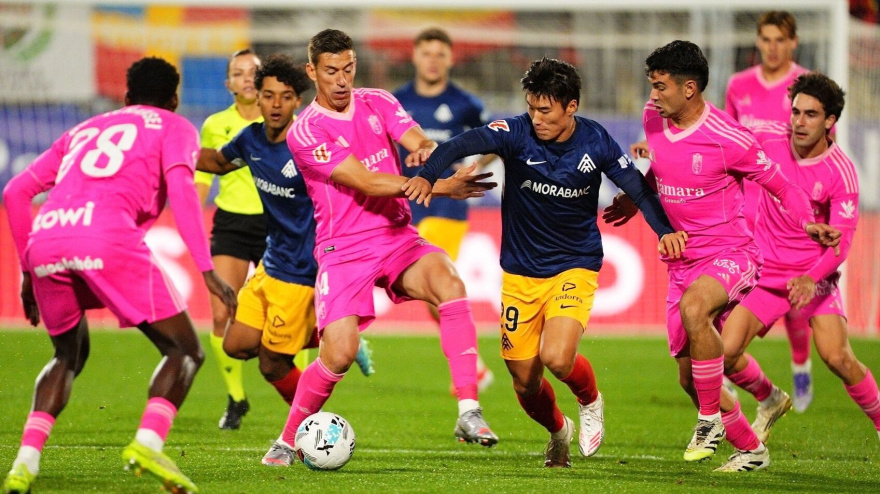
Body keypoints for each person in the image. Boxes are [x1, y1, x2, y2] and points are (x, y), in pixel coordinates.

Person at [406, 57, 683, 468]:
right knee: (525, 381)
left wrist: (664, 230)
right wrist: (430, 173)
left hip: (576, 264)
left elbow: (638, 189)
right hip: (520, 274)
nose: (536, 118)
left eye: (545, 110)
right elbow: (458, 145)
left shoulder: (596, 141)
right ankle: (558, 431)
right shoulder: (516, 132)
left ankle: (590, 400)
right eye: (532, 107)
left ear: (571, 106)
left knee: (557, 357)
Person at [260, 29, 498, 467]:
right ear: (313, 71)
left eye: (348, 68)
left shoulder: (378, 101)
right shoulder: (305, 131)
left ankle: (469, 410)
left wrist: (428, 153)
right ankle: (286, 438)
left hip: (395, 235)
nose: (341, 79)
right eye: (330, 71)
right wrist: (441, 184)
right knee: (339, 353)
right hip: (342, 248)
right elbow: (366, 181)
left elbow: (417, 141)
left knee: (449, 281)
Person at [1, 57, 237, 494]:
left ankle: (23, 465)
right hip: (107, 238)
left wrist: (27, 271)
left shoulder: (85, 129)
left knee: (67, 357)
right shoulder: (174, 126)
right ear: (173, 100)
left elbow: (16, 192)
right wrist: (207, 270)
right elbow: (184, 194)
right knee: (185, 351)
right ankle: (148, 444)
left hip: (47, 240)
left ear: (126, 98)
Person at [605, 40, 840, 472]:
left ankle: (709, 420)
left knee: (698, 310)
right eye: (651, 86)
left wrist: (808, 223)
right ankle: (752, 446)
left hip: (732, 253)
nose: (652, 95)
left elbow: (784, 186)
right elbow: (660, 166)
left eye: (660, 87)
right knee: (689, 377)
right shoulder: (653, 119)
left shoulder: (730, 139)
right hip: (681, 261)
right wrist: (636, 200)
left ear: (689, 88)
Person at [197, 54, 374, 407]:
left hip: (302, 270)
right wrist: (166, 151)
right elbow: (216, 162)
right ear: (256, 97)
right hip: (271, 262)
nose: (275, 104)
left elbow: (355, 184)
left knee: (271, 363)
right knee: (235, 345)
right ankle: (340, 337)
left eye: (285, 96)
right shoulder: (250, 140)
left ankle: (310, 422)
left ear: (297, 100)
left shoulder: (308, 144)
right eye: (268, 95)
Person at [722, 72, 880, 443]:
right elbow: (721, 138)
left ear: (830, 122)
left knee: (837, 358)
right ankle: (771, 397)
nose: (799, 121)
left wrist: (812, 277)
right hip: (766, 272)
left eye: (811, 114)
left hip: (814, 274)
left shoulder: (841, 171)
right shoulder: (768, 138)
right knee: (725, 354)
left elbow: (843, 241)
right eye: (796, 112)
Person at [393, 27, 495, 394]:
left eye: (440, 54)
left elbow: (497, 138)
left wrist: (471, 168)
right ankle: (473, 364)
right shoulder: (397, 101)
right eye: (426, 53)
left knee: (435, 283)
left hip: (447, 207)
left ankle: (472, 367)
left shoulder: (465, 103)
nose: (433, 60)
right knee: (432, 293)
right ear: (415, 57)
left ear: (450, 59)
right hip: (408, 203)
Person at [725, 11, 813, 412]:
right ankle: (732, 377)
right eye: (766, 39)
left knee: (795, 300)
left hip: (788, 211)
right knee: (737, 298)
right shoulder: (739, 86)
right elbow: (728, 138)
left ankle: (800, 363)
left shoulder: (806, 87)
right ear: (757, 41)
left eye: (780, 39)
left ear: (793, 43)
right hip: (747, 211)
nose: (772, 47)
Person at [195, 48, 266, 430]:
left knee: (290, 313)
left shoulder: (284, 120)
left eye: (253, 71)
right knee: (222, 311)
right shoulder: (215, 124)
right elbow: (202, 180)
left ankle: (300, 396)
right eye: (238, 73)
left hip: (277, 224)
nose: (246, 78)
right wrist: (189, 220)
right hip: (232, 226)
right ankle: (236, 398)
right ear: (228, 84)